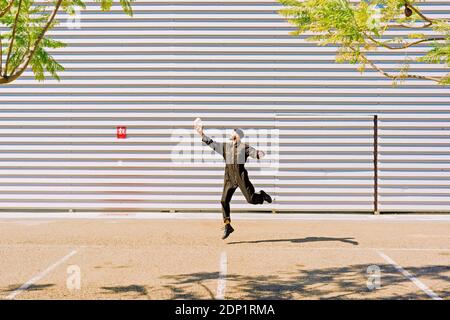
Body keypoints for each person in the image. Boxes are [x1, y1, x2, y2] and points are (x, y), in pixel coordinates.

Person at [194, 118, 272, 239]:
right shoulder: (225, 147)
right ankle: (227, 225)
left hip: (241, 178)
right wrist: (202, 134)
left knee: (251, 199)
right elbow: (212, 143)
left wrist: (259, 154)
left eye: (233, 132)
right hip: (229, 178)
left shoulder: (243, 147)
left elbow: (253, 152)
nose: (231, 134)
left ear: (237, 135)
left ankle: (262, 195)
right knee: (224, 200)